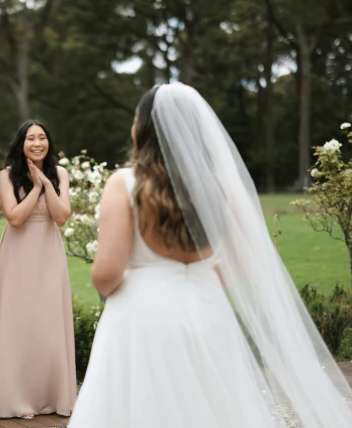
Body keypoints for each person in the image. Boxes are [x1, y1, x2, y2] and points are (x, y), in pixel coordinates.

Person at [70, 83, 352, 428]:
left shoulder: (125, 183)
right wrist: (197, 279)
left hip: (144, 318)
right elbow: (243, 260)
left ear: (144, 128)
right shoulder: (220, 185)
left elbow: (106, 274)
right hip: (208, 310)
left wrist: (149, 280)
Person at [0, 120, 76, 419]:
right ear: (21, 143)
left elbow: (62, 217)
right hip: (18, 253)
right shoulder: (6, 175)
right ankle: (18, 398)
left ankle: (51, 396)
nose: (37, 143)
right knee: (20, 322)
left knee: (48, 322)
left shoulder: (60, 173)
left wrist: (48, 183)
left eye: (42, 138)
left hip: (49, 253)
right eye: (30, 139)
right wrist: (35, 187)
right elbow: (14, 218)